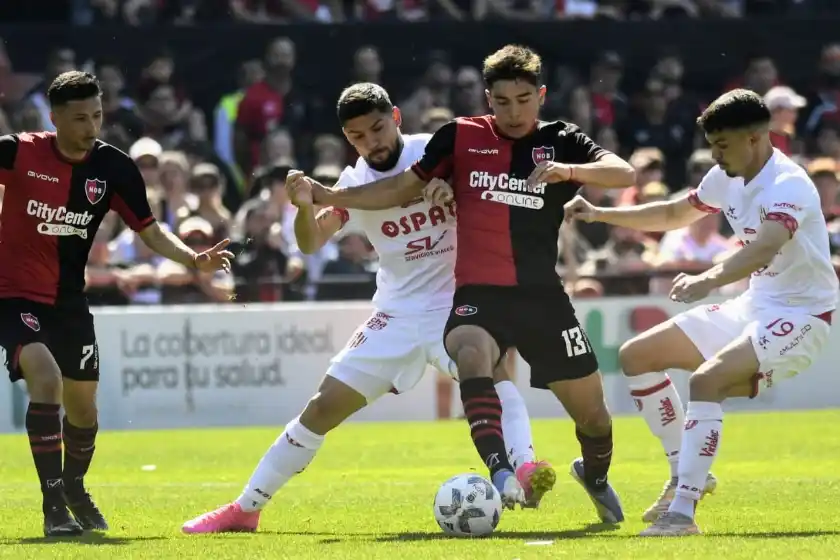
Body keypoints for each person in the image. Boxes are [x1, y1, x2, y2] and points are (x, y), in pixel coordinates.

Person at [181, 82, 552, 534]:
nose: (371, 142)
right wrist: (303, 207)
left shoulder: (437, 151)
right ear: (347, 139)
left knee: (490, 373)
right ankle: (246, 508)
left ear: (395, 117)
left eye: (377, 129)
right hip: (395, 314)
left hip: (456, 305)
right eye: (358, 136)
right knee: (320, 408)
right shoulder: (353, 183)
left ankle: (526, 467)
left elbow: (484, 190)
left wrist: (452, 191)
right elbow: (311, 240)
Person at [292, 46, 636, 523]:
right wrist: (331, 195)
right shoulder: (460, 136)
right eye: (501, 101)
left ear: (541, 96)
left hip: (541, 297)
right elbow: (403, 186)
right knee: (472, 353)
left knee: (594, 417)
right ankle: (500, 470)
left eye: (523, 99)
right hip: (477, 293)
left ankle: (594, 476)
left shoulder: (561, 139)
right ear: (487, 98)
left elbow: (625, 172)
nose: (513, 112)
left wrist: (570, 171)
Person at [564, 89, 838, 536]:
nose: (715, 155)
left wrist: (707, 279)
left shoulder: (789, 184)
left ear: (755, 137)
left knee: (707, 381)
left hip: (804, 317)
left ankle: (683, 513)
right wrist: (600, 215)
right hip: (755, 305)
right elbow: (673, 212)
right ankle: (683, 473)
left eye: (723, 145)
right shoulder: (726, 174)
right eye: (711, 145)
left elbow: (767, 245)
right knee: (637, 355)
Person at [0, 71, 233, 537]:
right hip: (14, 294)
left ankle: (74, 487)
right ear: (55, 118)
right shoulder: (18, 150)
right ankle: (53, 509)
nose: (92, 126)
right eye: (81, 118)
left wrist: (192, 259)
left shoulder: (115, 167)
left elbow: (148, 230)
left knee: (84, 409)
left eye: (98, 115)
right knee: (44, 380)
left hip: (69, 301)